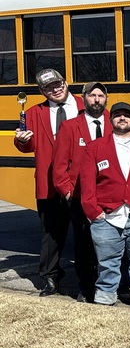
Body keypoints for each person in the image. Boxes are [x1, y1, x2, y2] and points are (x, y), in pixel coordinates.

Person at [79, 102, 130, 309]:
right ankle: (106, 296)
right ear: (111, 120)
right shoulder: (95, 147)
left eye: (127, 115)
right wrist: (93, 212)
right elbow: (87, 182)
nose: (122, 118)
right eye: (117, 115)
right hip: (107, 215)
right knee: (107, 262)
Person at [13, 68, 85, 296]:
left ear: (65, 82)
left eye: (58, 83)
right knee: (50, 233)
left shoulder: (86, 107)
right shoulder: (34, 113)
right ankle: (50, 278)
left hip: (80, 181)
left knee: (86, 232)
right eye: (49, 87)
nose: (56, 89)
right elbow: (28, 146)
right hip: (48, 183)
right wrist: (21, 141)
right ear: (43, 92)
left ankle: (88, 277)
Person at [51, 81, 110, 302]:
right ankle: (86, 287)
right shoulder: (70, 126)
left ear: (105, 99)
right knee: (84, 243)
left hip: (107, 195)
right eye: (92, 95)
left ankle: (107, 286)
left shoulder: (114, 124)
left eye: (100, 96)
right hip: (79, 196)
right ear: (83, 98)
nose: (96, 99)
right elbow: (59, 165)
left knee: (108, 245)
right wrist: (67, 191)